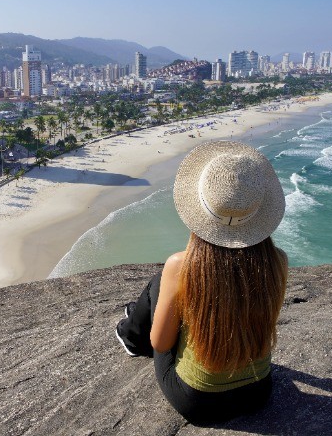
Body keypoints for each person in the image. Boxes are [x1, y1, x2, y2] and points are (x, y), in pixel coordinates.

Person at [115, 141, 288, 425]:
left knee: (162, 283)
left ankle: (130, 335)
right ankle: (134, 323)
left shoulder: (180, 265)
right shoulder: (277, 261)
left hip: (198, 401)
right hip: (258, 392)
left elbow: (160, 343)